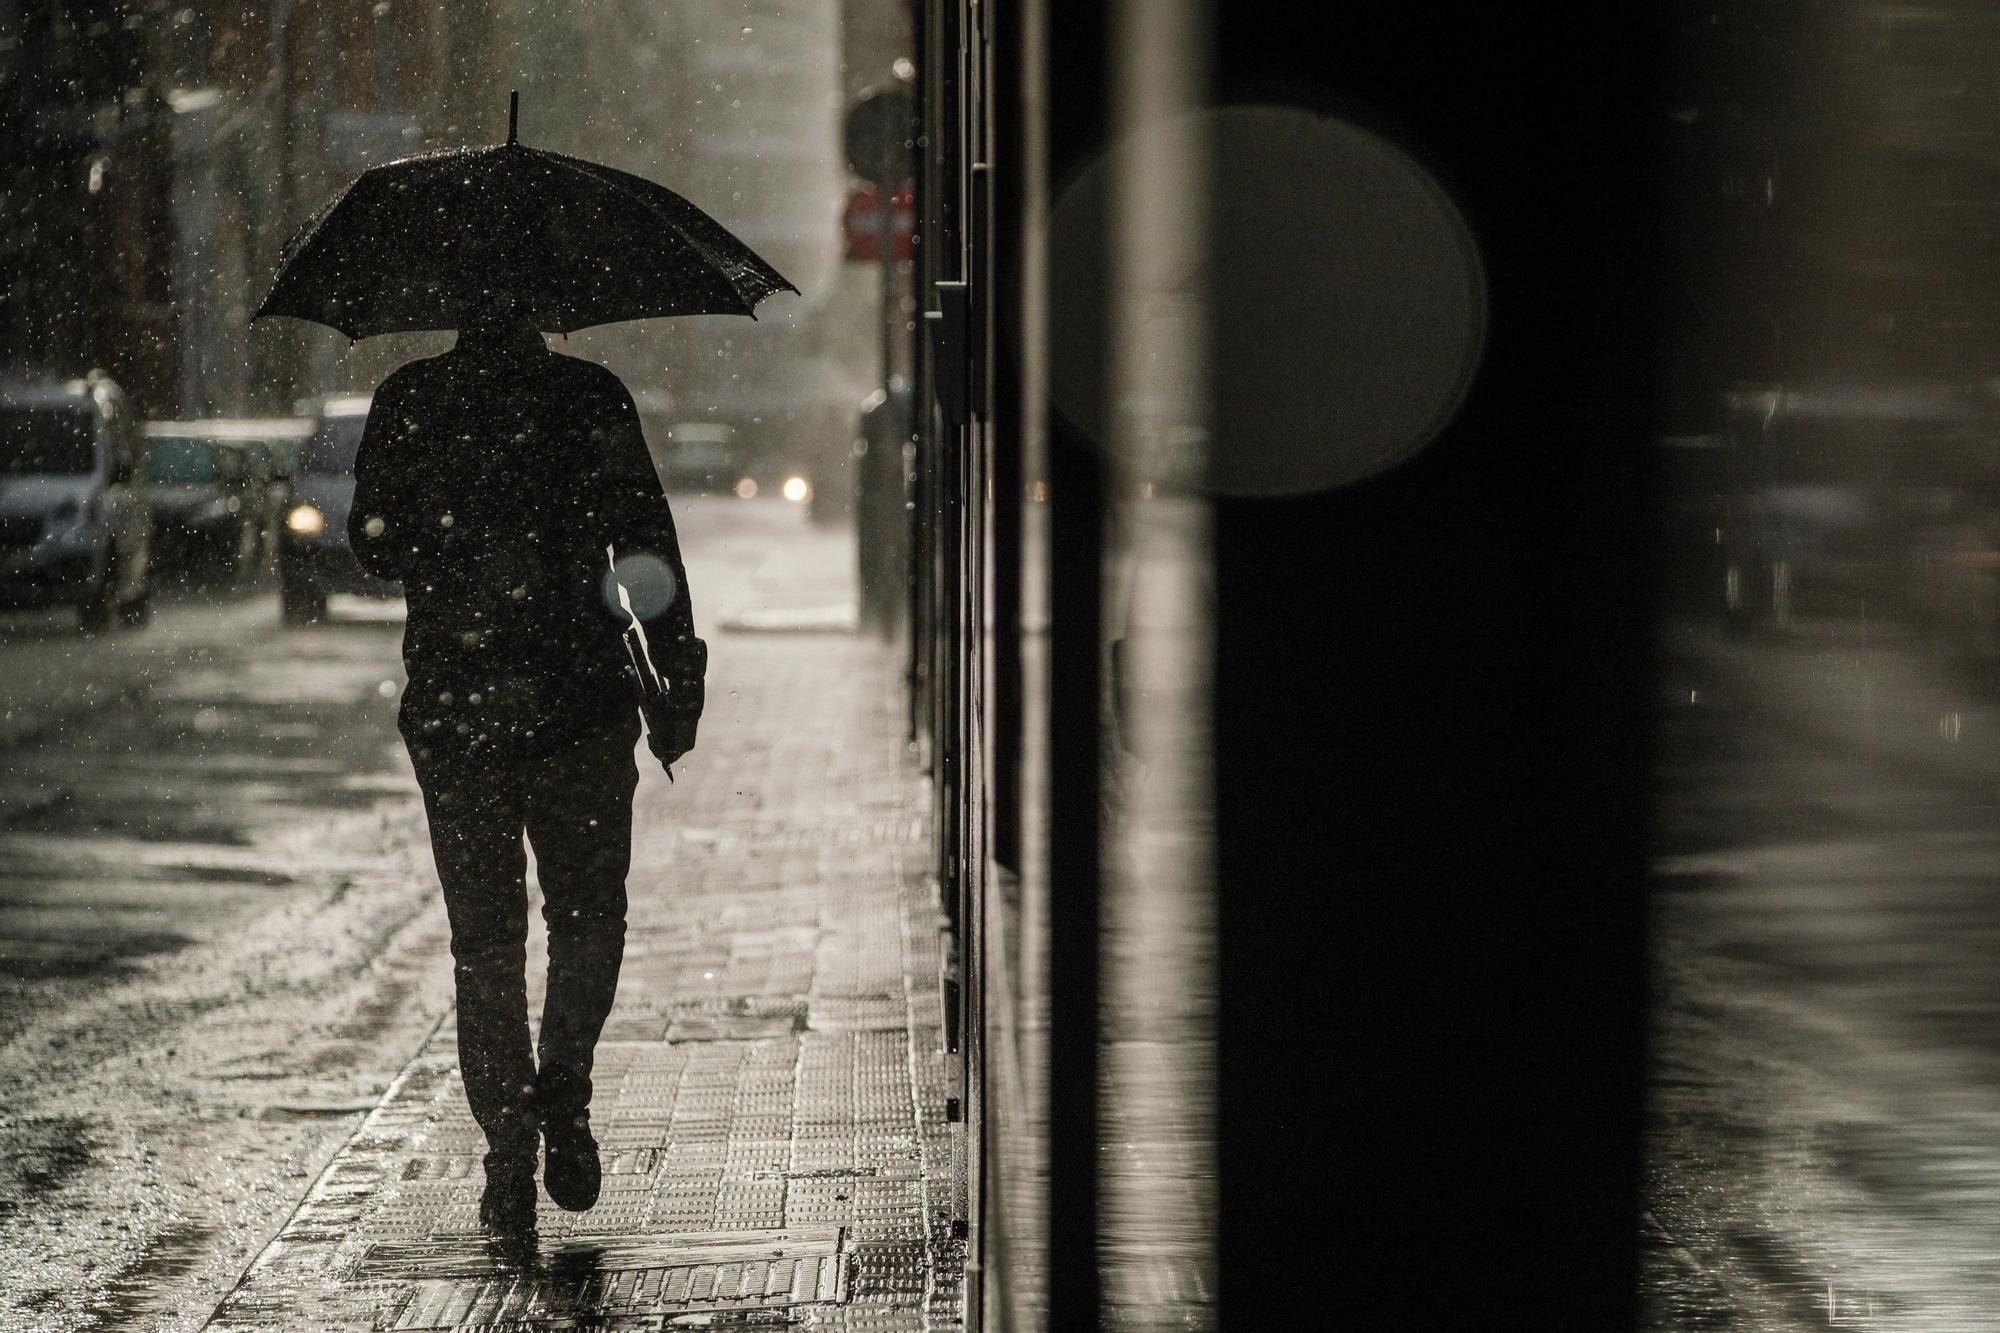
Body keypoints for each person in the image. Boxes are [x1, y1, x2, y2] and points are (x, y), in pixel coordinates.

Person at [350, 294, 703, 1245]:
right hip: (578, 706)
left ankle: (509, 1148)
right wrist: (678, 670)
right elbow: (644, 548)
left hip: (460, 710)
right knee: (588, 913)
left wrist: (438, 529)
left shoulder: (411, 399)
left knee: (486, 941)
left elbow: (371, 547)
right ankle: (567, 1097)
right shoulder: (589, 397)